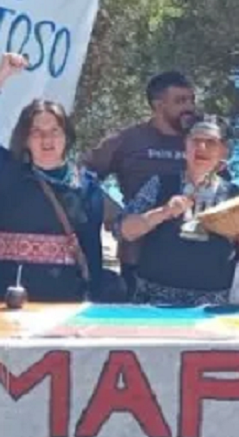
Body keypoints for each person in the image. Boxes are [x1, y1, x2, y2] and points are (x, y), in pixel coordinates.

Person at [0, 53, 119, 302]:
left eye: (55, 131)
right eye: (37, 132)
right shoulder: (8, 171)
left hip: (62, 298)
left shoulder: (86, 184)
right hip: (2, 295)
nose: (47, 139)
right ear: (24, 138)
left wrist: (94, 302)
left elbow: (92, 248)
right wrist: (1, 75)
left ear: (67, 136)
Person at [83, 70, 196, 293]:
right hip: (138, 252)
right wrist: (112, 213)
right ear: (158, 105)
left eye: (192, 100)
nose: (190, 108)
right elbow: (81, 177)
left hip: (191, 254)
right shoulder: (128, 140)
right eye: (180, 101)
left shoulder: (200, 141)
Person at [117, 117, 239, 305]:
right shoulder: (160, 184)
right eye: (195, 140)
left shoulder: (237, 196)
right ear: (185, 145)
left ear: (223, 151)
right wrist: (163, 212)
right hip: (154, 302)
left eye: (210, 142)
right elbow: (124, 231)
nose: (201, 147)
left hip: (214, 305)